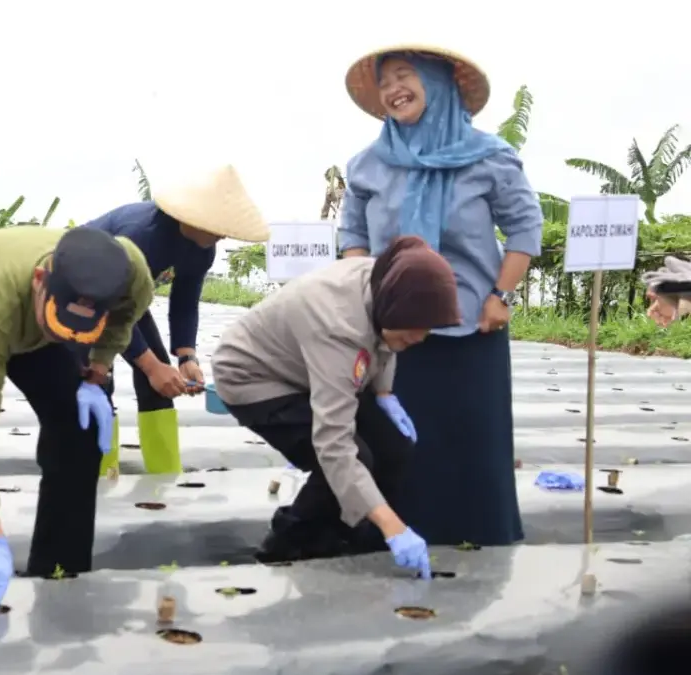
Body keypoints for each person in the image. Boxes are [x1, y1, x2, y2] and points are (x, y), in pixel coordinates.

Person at [338, 45, 543, 547]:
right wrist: (370, 296)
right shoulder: (367, 164)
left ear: (438, 82)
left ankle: (480, 537)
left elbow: (524, 227)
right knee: (391, 440)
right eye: (385, 82)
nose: (393, 90)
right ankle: (390, 535)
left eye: (405, 76)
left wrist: (501, 295)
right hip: (393, 333)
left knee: (470, 441)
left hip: (472, 326)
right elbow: (351, 237)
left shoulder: (490, 156)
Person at [0, 226, 153, 611]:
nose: (66, 335)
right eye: (59, 324)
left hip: (28, 310)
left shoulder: (128, 269)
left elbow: (123, 318)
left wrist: (98, 371)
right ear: (41, 281)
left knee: (77, 426)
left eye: (78, 329)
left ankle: (59, 574)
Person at [212, 236, 461, 574]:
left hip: (306, 369)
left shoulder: (386, 283)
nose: (417, 340)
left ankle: (354, 539)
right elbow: (334, 445)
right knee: (350, 457)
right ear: (392, 307)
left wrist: (385, 394)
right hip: (255, 377)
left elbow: (386, 343)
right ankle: (284, 547)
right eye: (411, 333)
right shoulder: (337, 324)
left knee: (393, 448)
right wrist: (395, 527)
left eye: (425, 332)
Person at [84, 164, 268, 476]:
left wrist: (186, 356)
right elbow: (113, 311)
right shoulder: (143, 235)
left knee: (158, 383)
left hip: (128, 301)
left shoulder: (202, 249)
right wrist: (152, 366)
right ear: (192, 217)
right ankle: (99, 476)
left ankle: (165, 475)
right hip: (86, 296)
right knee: (98, 379)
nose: (222, 234)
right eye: (217, 226)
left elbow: (184, 303)